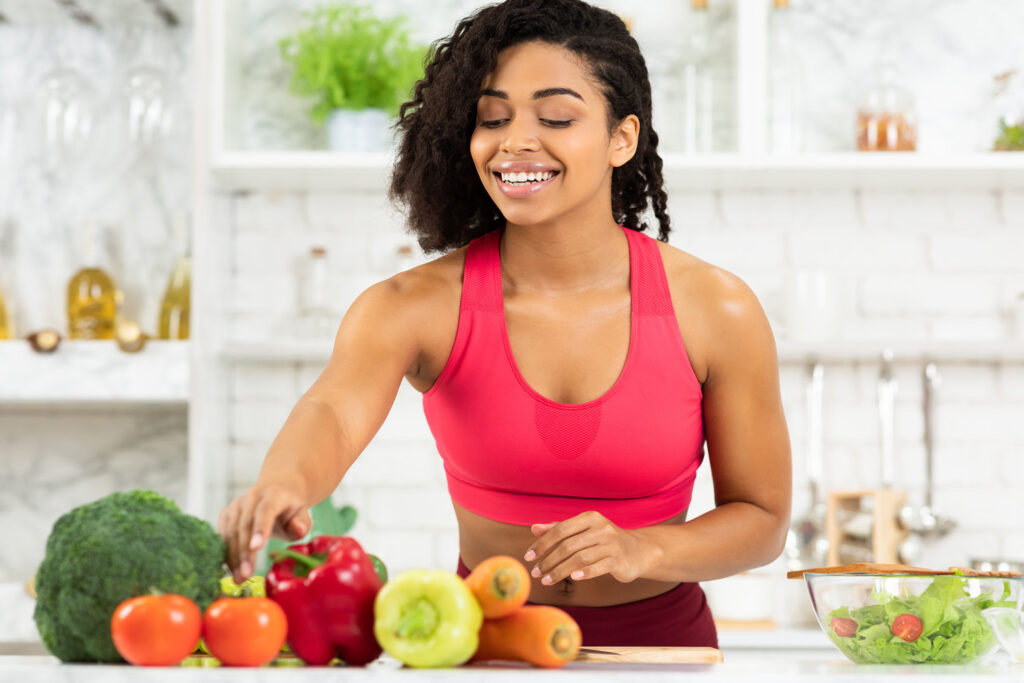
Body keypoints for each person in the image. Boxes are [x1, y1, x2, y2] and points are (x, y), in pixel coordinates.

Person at [219, 0, 791, 647]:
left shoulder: (717, 308)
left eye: (556, 116)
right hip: (480, 645)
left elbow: (763, 520)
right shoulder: (412, 305)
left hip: (662, 649)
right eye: (493, 117)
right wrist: (283, 484)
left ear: (621, 138)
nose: (515, 140)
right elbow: (333, 408)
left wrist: (647, 548)